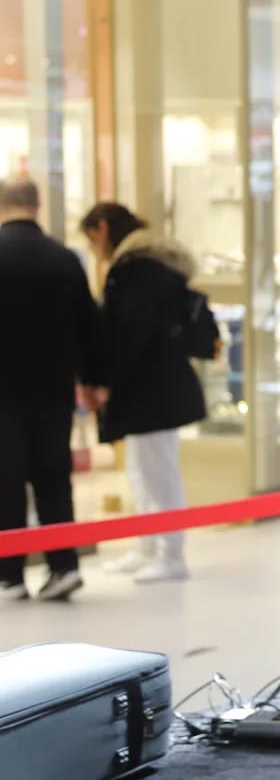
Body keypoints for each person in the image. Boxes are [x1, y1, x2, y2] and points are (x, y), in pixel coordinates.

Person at [81, 203, 207, 583]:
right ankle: (150, 545)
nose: (94, 249)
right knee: (142, 468)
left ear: (103, 228)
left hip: (153, 389)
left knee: (158, 471)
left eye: (92, 239)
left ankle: (171, 552)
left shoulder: (136, 269)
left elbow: (130, 333)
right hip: (151, 387)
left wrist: (105, 380)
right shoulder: (148, 266)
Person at [0, 178, 105, 602]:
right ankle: (64, 566)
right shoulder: (63, 258)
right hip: (53, 387)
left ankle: (9, 575)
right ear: (37, 206)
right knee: (53, 477)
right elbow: (88, 325)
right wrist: (93, 380)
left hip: (4, 391)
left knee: (6, 480)